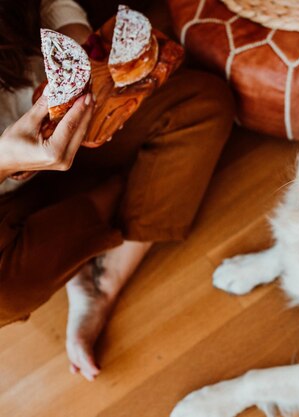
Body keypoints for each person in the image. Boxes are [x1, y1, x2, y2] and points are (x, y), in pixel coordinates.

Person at [0, 0, 234, 381]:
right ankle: (110, 196)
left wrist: (78, 38)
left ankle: (102, 277)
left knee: (205, 106)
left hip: (66, 106)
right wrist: (4, 162)